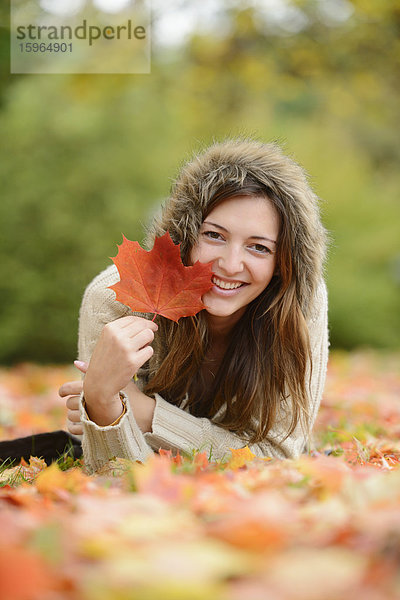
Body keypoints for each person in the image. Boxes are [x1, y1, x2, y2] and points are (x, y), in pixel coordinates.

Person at [59, 138, 329, 473]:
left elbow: (276, 459)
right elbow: (116, 475)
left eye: (259, 247)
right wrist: (101, 403)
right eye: (214, 235)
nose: (231, 265)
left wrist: (143, 413)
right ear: (185, 237)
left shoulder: (299, 302)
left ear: (282, 262)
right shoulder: (117, 297)